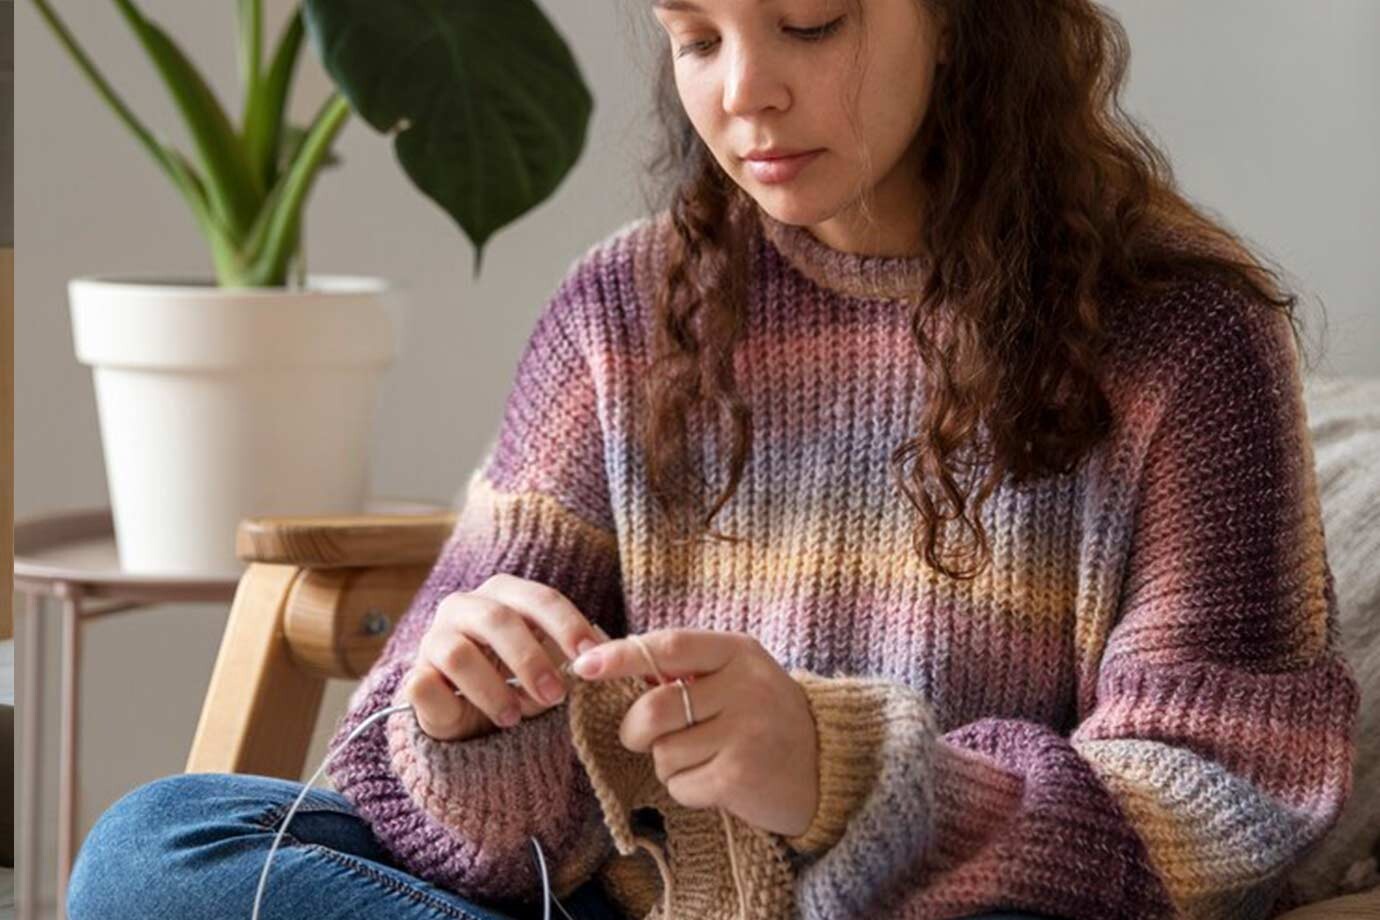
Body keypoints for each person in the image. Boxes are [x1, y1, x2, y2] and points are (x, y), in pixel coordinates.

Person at [67, 1, 1360, 918]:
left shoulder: (1185, 336)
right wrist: (464, 722)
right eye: (696, 37)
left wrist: (842, 778)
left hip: (945, 909)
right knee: (158, 850)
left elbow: (1225, 798)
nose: (743, 91)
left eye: (809, 24)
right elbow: (421, 777)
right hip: (626, 899)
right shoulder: (623, 310)